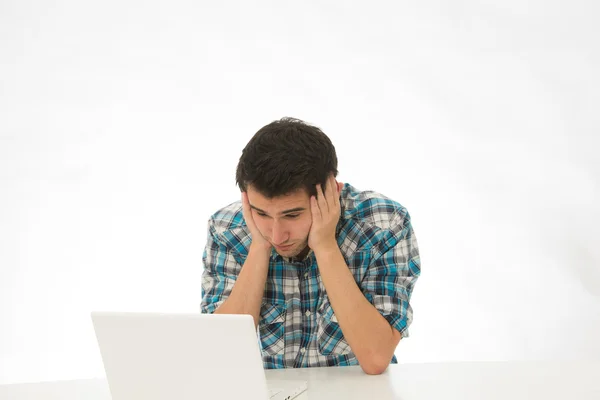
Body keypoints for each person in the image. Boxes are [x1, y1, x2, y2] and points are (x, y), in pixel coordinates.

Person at [200, 117, 421, 375]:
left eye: (292, 215)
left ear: (331, 191)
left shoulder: (383, 225)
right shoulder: (227, 230)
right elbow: (223, 357)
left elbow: (375, 358)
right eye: (261, 214)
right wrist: (259, 247)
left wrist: (325, 246)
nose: (277, 234)